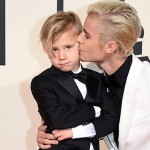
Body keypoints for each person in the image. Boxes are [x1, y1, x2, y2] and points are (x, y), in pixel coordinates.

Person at [36, 0, 150, 150]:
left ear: (110, 46)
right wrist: (49, 133)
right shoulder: (92, 77)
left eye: (87, 35)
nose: (79, 38)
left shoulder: (146, 80)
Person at [31, 11, 118, 150]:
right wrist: (94, 111)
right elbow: (58, 119)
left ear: (80, 42)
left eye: (68, 47)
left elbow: (110, 119)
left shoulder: (98, 78)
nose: (62, 56)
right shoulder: (42, 82)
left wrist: (74, 132)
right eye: (54, 49)